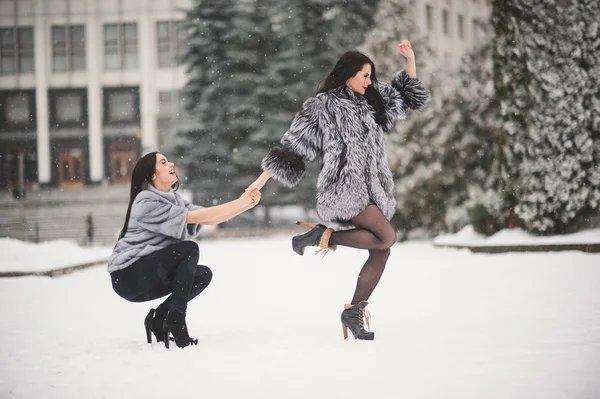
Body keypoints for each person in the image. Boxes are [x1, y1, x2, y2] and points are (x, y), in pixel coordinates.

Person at [247, 40, 430, 341]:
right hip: (343, 190)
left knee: (381, 250)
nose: (369, 81)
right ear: (348, 74)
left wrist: (410, 58)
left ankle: (354, 310)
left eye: (371, 76)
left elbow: (404, 95)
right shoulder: (322, 106)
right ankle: (321, 236)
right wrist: (259, 182)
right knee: (388, 236)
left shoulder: (371, 102)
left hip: (372, 192)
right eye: (365, 75)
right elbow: (292, 147)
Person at [108, 151, 260, 348]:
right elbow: (194, 218)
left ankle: (161, 317)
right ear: (153, 175)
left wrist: (244, 204)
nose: (171, 164)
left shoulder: (173, 199)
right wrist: (239, 202)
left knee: (202, 275)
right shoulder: (145, 202)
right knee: (189, 249)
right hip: (128, 276)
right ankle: (176, 318)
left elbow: (207, 217)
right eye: (163, 162)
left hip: (147, 275)